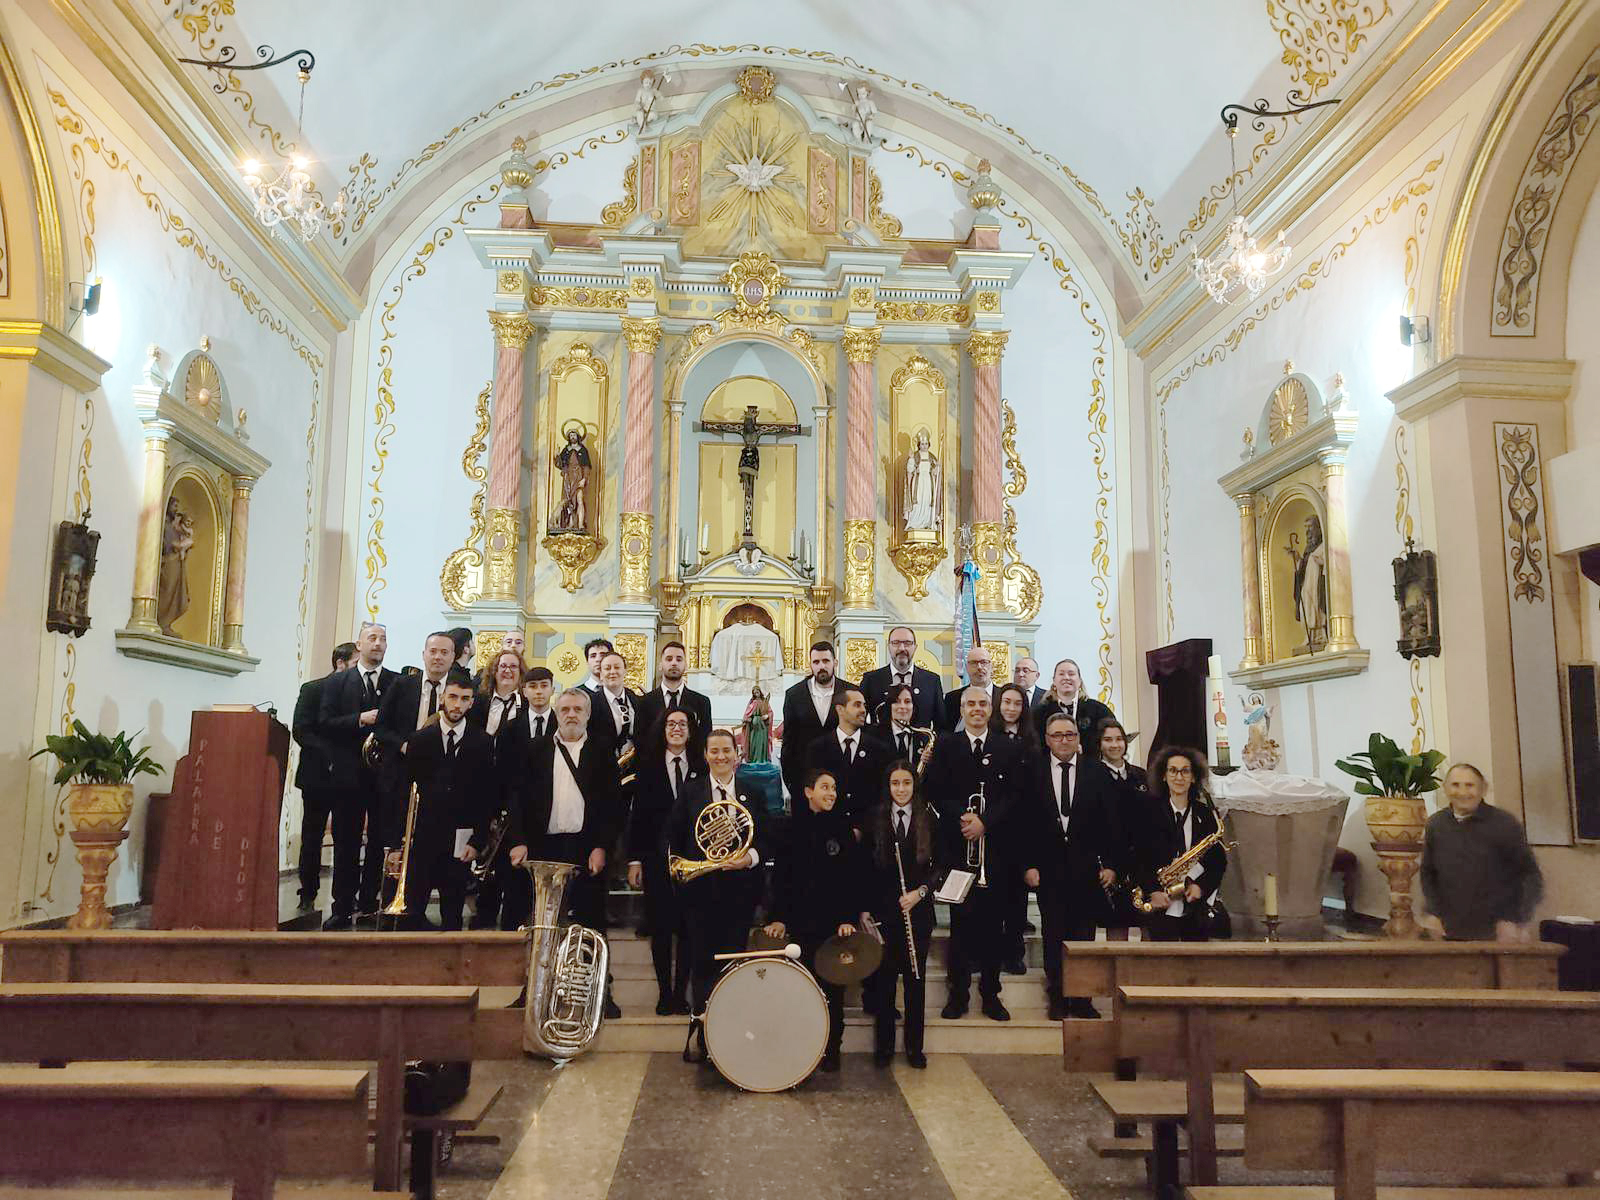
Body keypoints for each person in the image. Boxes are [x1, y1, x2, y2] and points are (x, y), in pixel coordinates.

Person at [502, 687, 623, 1017]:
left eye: (577, 709)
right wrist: (518, 841)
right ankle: (532, 991)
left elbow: (613, 806)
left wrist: (601, 847)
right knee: (542, 924)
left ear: (587, 714)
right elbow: (517, 800)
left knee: (592, 925)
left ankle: (600, 996)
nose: (571, 714)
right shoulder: (536, 749)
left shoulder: (602, 751)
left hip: (586, 849)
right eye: (565, 709)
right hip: (544, 847)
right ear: (556, 713)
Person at [923, 685, 1025, 1021]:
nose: (977, 709)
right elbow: (934, 790)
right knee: (960, 927)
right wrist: (963, 818)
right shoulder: (946, 745)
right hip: (957, 849)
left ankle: (991, 995)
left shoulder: (1007, 747)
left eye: (983, 703)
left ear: (990, 709)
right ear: (962, 709)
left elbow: (1014, 795)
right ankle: (958, 995)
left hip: (996, 853)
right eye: (971, 704)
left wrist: (985, 822)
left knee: (994, 928)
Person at [669, 728, 769, 1055]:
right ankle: (701, 1034)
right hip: (701, 893)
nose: (721, 756)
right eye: (714, 751)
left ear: (737, 754)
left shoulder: (753, 791)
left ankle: (728, 1037)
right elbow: (676, 837)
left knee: (732, 964)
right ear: (705, 755)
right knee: (702, 964)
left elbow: (767, 838)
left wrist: (748, 858)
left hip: (740, 894)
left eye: (727, 750)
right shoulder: (691, 791)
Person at [765, 768, 866, 1073]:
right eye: (824, 787)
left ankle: (831, 1050)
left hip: (833, 928)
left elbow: (852, 878)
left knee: (832, 992)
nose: (831, 793)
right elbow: (781, 879)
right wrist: (778, 918)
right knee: (800, 990)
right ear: (808, 792)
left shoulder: (843, 828)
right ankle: (802, 1048)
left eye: (833, 788)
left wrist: (848, 919)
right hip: (800, 925)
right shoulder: (791, 828)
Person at [1024, 715, 1122, 1016]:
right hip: (1048, 870)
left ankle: (1082, 999)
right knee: (1053, 936)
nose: (1064, 740)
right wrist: (1028, 865)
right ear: (1047, 740)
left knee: (1084, 937)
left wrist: (1111, 865)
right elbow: (1022, 823)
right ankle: (1057, 997)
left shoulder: (1096, 772)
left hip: (1087, 870)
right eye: (1057, 735)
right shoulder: (1033, 771)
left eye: (1069, 734)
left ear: (1078, 738)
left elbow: (1112, 823)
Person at [396, 674, 493, 931]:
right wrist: (399, 840)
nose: (457, 704)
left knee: (452, 915)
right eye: (453, 697)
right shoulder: (419, 739)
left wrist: (477, 841)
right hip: (423, 837)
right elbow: (404, 791)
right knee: (413, 913)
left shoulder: (483, 741)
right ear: (442, 698)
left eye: (464, 699)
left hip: (460, 839)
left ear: (471, 703)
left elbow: (485, 796)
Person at [318, 622, 397, 929]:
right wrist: (359, 719)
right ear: (359, 645)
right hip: (348, 776)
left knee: (379, 842)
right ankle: (341, 906)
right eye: (372, 638)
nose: (378, 643)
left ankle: (368, 905)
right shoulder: (338, 682)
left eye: (383, 639)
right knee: (346, 843)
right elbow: (325, 723)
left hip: (384, 777)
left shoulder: (397, 682)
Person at [626, 707, 704, 1014]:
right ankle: (664, 993)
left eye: (682, 724)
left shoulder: (701, 765)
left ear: (690, 731)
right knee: (659, 928)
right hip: (655, 857)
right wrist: (634, 860)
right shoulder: (648, 766)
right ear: (663, 729)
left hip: (693, 859)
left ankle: (681, 994)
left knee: (687, 928)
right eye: (671, 724)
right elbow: (638, 816)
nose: (676, 728)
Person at [863, 761, 940, 1068]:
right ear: (888, 786)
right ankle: (883, 1048)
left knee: (915, 982)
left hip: (917, 912)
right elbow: (864, 867)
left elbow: (941, 865)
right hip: (884, 913)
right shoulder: (875, 818)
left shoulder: (929, 818)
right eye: (895, 783)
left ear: (914, 785)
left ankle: (914, 1048)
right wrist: (865, 909)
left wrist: (920, 893)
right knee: (883, 983)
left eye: (906, 783)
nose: (901, 789)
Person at [472, 666, 557, 931]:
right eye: (533, 686)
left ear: (552, 689)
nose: (539, 692)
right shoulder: (510, 729)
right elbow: (502, 777)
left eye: (544, 686)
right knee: (514, 889)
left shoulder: (561, 724)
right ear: (524, 691)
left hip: (554, 816)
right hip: (517, 815)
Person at [1420, 763, 1543, 941]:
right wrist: (1432, 913)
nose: (1462, 792)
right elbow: (1428, 873)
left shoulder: (1504, 824)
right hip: (1448, 931)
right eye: (1455, 785)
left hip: (1498, 933)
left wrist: (1515, 919)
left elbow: (1531, 876)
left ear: (1483, 789)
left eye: (1470, 785)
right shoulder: (1436, 824)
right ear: (1445, 788)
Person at [1135, 746, 1227, 942]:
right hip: (1161, 903)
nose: (1179, 777)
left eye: (1185, 771)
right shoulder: (1148, 812)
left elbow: (1218, 861)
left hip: (1194, 906)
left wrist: (1201, 887)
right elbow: (1139, 858)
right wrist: (1153, 891)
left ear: (1193, 777)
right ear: (1163, 776)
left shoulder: (1206, 814)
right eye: (1173, 770)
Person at [291, 641, 356, 910]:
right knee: (312, 835)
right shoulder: (313, 689)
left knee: (347, 838)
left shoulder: (358, 692)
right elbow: (301, 730)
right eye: (354, 663)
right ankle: (307, 890)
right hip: (318, 774)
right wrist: (330, 755)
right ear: (340, 663)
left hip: (349, 777)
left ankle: (346, 895)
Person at [990, 682, 1042, 976]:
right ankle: (989, 952)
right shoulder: (989, 737)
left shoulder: (1032, 743)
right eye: (1006, 702)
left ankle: (1014, 952)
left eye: (1017, 703)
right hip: (993, 827)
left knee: (1017, 897)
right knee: (992, 897)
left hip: (1022, 829)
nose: (1011, 708)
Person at [806, 684, 893, 832]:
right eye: (857, 705)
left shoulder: (879, 750)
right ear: (840, 709)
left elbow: (882, 795)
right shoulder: (817, 749)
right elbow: (813, 796)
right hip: (827, 832)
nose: (863, 710)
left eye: (864, 705)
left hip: (868, 834)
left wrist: (863, 828)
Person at [1091, 716, 1148, 938]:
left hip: (1141, 864)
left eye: (1119, 739)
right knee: (1117, 927)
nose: (1114, 744)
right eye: (1108, 740)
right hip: (1110, 866)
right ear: (1099, 743)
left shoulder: (1140, 775)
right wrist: (1107, 866)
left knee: (1149, 922)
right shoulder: (1091, 776)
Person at [779, 641, 853, 804]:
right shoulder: (794, 695)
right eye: (816, 662)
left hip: (843, 781)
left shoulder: (851, 692)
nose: (821, 666)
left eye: (826, 661)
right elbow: (789, 742)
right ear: (810, 665)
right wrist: (792, 783)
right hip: (805, 783)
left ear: (835, 662)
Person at [861, 627, 943, 729]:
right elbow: (860, 720)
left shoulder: (932, 681)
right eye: (896, 643)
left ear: (915, 647)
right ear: (888, 646)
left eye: (907, 643)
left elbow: (941, 724)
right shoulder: (871, 680)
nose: (902, 648)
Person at [633, 640, 712, 738]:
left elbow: (705, 739)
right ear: (660, 665)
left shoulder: (702, 702)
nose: (674, 663)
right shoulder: (644, 702)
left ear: (686, 665)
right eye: (669, 659)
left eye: (679, 659)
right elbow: (639, 739)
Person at [1032, 658, 1113, 748]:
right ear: (1054, 681)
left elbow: (1111, 739)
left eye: (1071, 674)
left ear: (1080, 681)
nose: (1066, 678)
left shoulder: (1099, 710)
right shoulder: (1040, 713)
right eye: (1061, 674)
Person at [941, 644, 1003, 730]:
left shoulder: (1003, 696)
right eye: (974, 663)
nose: (979, 667)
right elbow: (945, 731)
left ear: (991, 666)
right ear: (967, 667)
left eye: (984, 662)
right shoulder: (952, 698)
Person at [879, 683, 933, 769]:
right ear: (889, 706)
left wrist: (927, 763)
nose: (902, 706)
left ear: (913, 707)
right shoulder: (875, 735)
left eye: (907, 702)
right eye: (897, 701)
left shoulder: (924, 736)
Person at [740, 686, 773, 764]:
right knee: (753, 743)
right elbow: (747, 714)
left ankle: (762, 759)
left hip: (762, 727)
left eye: (757, 692)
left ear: (760, 692)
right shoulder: (752, 703)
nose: (756, 694)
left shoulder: (764, 702)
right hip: (753, 728)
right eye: (754, 693)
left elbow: (770, 712)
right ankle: (753, 759)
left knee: (761, 743)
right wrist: (747, 719)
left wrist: (767, 716)